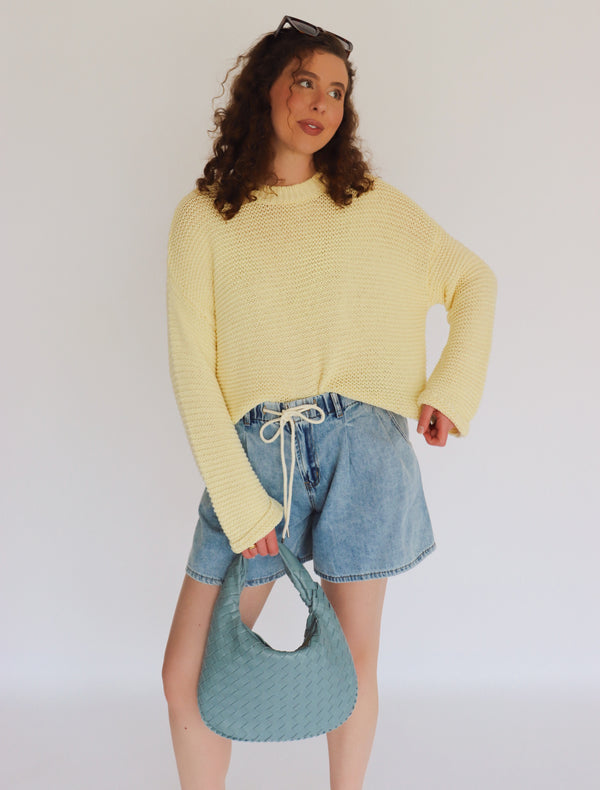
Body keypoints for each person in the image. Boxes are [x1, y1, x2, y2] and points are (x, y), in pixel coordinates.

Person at [162, 15, 496, 790]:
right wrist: (245, 508)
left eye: (337, 91)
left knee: (353, 666)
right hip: (252, 457)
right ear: (264, 91)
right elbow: (191, 371)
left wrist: (449, 390)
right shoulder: (204, 217)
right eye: (304, 81)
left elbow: (473, 280)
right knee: (188, 674)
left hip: (363, 447)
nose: (320, 103)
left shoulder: (373, 205)